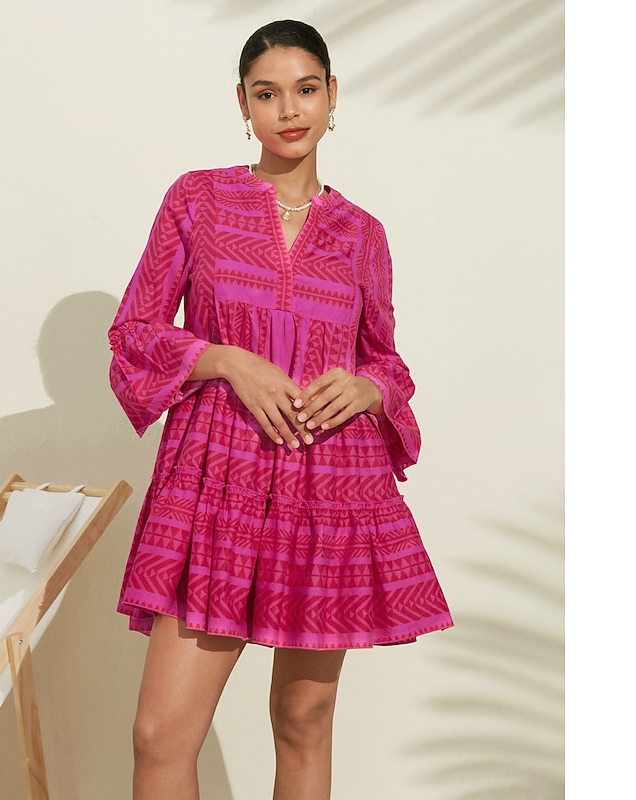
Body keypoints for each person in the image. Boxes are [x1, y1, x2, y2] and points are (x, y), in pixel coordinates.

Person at [108, 19, 453, 800]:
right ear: (243, 103)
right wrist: (225, 359)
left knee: (303, 720)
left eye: (305, 90)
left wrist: (371, 388)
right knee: (160, 735)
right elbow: (134, 332)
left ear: (333, 95)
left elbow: (386, 358)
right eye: (267, 94)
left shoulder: (362, 234)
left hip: (328, 487)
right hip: (218, 480)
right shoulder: (197, 200)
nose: (289, 110)